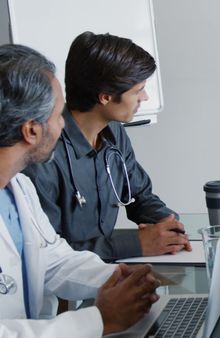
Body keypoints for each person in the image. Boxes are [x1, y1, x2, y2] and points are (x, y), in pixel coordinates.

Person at [0, 44, 159, 337]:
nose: (65, 122)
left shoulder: (17, 188)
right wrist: (99, 320)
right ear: (31, 131)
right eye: (58, 113)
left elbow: (55, 260)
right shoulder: (33, 176)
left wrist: (118, 277)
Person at [23, 31, 191, 261]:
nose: (145, 98)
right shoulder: (42, 157)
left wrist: (165, 222)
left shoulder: (114, 134)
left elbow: (139, 195)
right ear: (105, 97)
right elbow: (49, 254)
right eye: (138, 90)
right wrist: (136, 243)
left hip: (104, 273)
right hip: (63, 290)